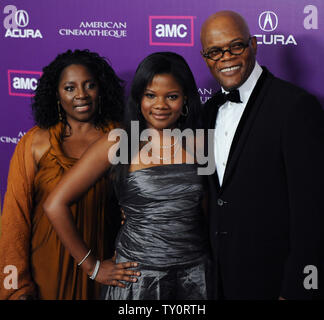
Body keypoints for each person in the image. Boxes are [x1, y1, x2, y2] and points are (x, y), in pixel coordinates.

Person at [43, 52, 210, 300]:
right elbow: (54, 204)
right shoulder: (120, 142)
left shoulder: (203, 143)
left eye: (171, 96)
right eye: (150, 95)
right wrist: (92, 266)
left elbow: (211, 212)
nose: (160, 105)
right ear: (139, 98)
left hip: (196, 279)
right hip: (139, 280)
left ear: (185, 98)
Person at [200, 10, 324, 300]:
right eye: (215, 51)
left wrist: (296, 288)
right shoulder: (207, 112)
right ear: (206, 57)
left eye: (236, 46)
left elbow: (313, 210)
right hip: (218, 281)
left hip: (274, 281)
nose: (226, 58)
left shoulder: (295, 106)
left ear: (253, 44)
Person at [0, 49, 125, 300]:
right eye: (70, 88)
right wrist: (16, 289)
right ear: (56, 94)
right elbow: (15, 218)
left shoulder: (120, 139)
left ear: (101, 90)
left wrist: (104, 266)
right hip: (46, 271)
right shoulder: (34, 143)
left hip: (103, 269)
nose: (81, 94)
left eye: (89, 85)